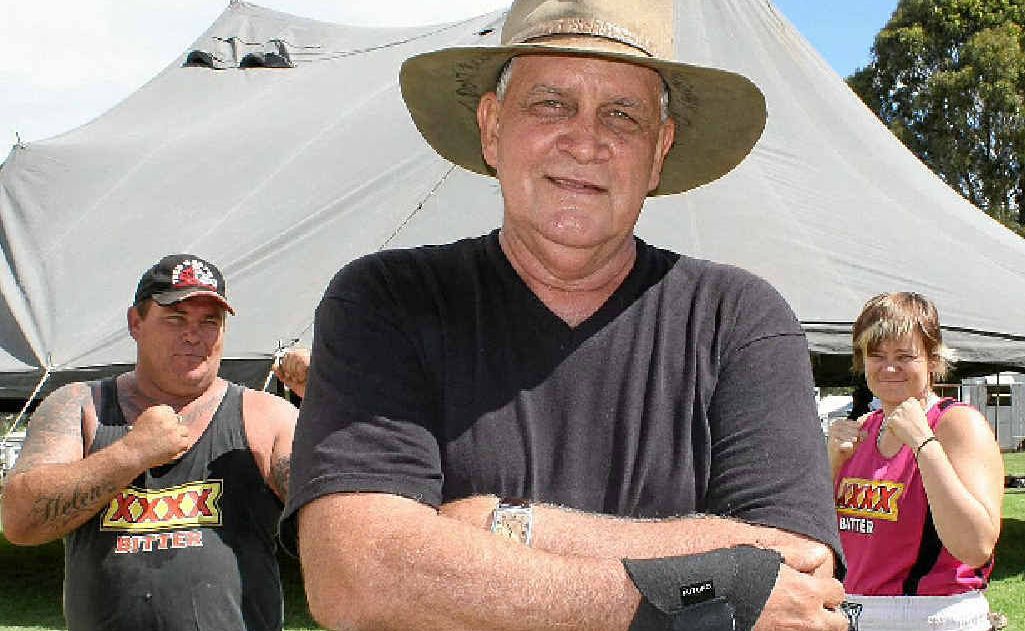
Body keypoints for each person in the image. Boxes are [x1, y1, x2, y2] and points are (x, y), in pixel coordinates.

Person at [283, 1, 850, 629]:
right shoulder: (388, 300)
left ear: (659, 149)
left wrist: (510, 526)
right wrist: (695, 590)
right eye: (551, 103)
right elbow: (359, 578)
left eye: (622, 114)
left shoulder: (739, 319)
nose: (585, 141)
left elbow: (796, 572)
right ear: (491, 125)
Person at [0, 254, 297, 631]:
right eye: (176, 318)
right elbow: (21, 522)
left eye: (210, 322)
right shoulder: (81, 407)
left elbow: (325, 519)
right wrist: (132, 452)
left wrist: (330, 409)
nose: (194, 334)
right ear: (135, 322)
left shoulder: (265, 416)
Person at [828, 292, 1004, 631]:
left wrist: (924, 443)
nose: (889, 367)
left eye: (904, 356)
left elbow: (976, 547)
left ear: (933, 360)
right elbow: (822, 543)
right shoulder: (861, 431)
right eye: (876, 355)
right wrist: (830, 465)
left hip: (934, 616)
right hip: (853, 613)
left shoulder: (956, 424)